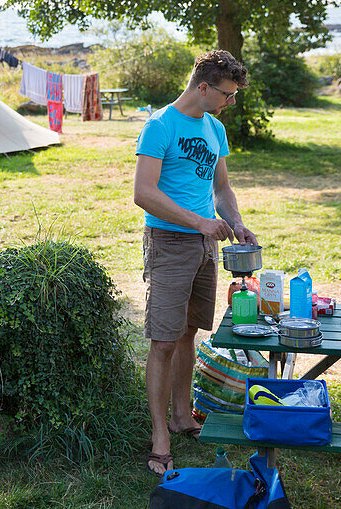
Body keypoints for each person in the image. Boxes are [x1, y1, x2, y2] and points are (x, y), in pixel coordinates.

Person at [133, 50, 258, 477]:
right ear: (203, 86)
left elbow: (221, 186)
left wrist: (235, 222)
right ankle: (159, 436)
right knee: (163, 340)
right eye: (227, 94)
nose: (230, 102)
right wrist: (199, 223)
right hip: (170, 242)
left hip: (205, 245)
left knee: (188, 332)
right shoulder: (160, 125)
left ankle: (182, 416)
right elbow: (144, 193)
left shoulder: (215, 128)